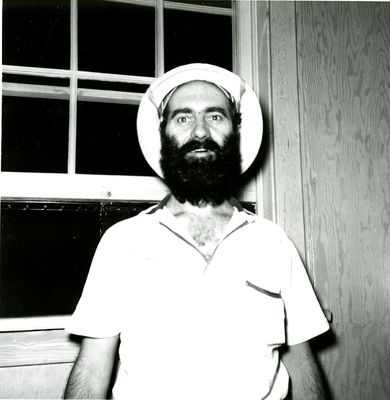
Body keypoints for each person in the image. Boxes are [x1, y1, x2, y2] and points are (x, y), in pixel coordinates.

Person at [64, 63, 330, 400]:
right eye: (183, 118)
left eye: (215, 117)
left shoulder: (273, 242)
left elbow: (303, 364)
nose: (200, 132)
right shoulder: (121, 242)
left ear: (236, 132)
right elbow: (92, 368)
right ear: (164, 134)